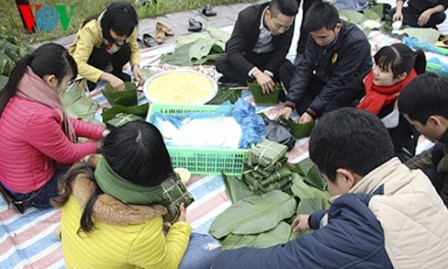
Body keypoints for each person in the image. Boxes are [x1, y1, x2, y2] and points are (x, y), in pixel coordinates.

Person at [212, 107, 448, 268]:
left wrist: (213, 260)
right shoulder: (417, 182)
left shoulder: (360, 232)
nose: (327, 187)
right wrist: (314, 219)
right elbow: (371, 209)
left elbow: (279, 262)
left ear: (345, 177)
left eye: (326, 180)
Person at [51, 121, 221, 268]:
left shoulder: (79, 175)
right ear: (160, 167)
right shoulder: (143, 230)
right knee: (208, 247)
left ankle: (64, 234)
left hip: (81, 256)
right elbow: (167, 265)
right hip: (128, 249)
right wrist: (180, 227)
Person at [0, 43, 107, 209]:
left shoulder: (25, 88)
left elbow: (64, 121)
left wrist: (101, 132)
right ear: (51, 80)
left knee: (82, 149)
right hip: (33, 192)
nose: (66, 87)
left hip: (13, 178)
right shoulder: (37, 116)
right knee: (95, 173)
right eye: (67, 81)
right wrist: (97, 145)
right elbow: (68, 154)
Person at [277, 1, 372, 123]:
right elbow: (305, 67)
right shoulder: (315, 34)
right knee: (286, 69)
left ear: (337, 27)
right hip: (325, 77)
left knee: (329, 110)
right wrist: (290, 103)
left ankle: (315, 112)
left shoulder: (356, 43)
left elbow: (338, 81)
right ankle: (311, 112)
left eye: (323, 37)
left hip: (346, 86)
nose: (318, 42)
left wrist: (311, 110)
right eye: (314, 37)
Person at [357, 43, 426, 162]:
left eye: (383, 70)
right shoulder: (371, 80)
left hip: (389, 151)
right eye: (376, 65)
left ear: (401, 76)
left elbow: (395, 145)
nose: (375, 72)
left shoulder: (409, 102)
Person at [215, 0, 298, 94]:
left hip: (269, 58)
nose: (282, 31)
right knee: (222, 63)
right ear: (267, 14)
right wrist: (257, 74)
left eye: (286, 27)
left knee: (287, 68)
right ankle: (260, 82)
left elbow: (282, 50)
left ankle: (259, 82)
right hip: (248, 56)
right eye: (278, 26)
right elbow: (233, 51)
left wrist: (268, 73)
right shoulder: (247, 17)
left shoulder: (287, 21)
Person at [69, 1, 145, 91]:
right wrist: (108, 77)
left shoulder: (128, 27)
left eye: (126, 36)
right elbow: (78, 64)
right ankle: (91, 78)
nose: (122, 38)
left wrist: (135, 66)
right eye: (118, 34)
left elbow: (134, 48)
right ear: (108, 26)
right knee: (100, 56)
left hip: (110, 52)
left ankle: (116, 72)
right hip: (94, 58)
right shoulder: (91, 30)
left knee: (126, 50)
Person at [398, 73, 448, 207]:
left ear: (434, 122)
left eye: (415, 126)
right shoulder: (442, 143)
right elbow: (429, 156)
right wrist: (397, 174)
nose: (416, 130)